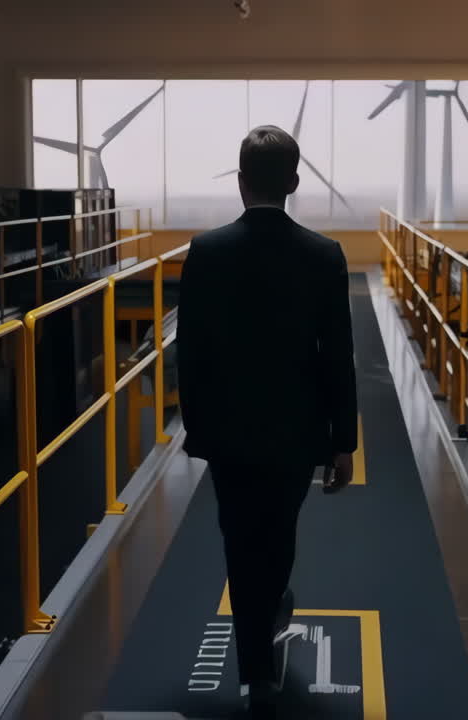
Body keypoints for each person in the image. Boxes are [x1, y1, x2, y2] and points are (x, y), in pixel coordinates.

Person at [177, 125, 358, 718]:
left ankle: (257, 664)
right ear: (295, 182)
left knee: (237, 538)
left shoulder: (205, 252)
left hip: (228, 433)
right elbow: (337, 357)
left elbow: (192, 352)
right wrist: (343, 443)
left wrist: (197, 430)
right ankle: (266, 638)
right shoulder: (324, 256)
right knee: (277, 538)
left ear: (239, 182)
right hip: (293, 433)